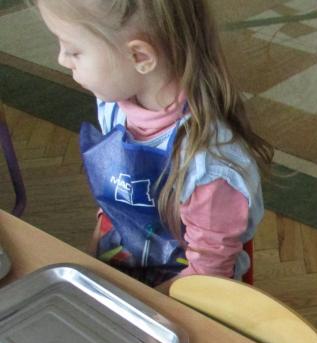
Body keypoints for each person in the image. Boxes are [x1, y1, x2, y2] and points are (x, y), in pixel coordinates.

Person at [35, 0, 272, 288]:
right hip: (126, 269)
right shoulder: (114, 106)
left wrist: (141, 302)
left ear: (140, 56)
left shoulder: (208, 164)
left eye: (74, 51)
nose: (62, 59)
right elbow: (116, 195)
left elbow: (208, 274)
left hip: (183, 293)